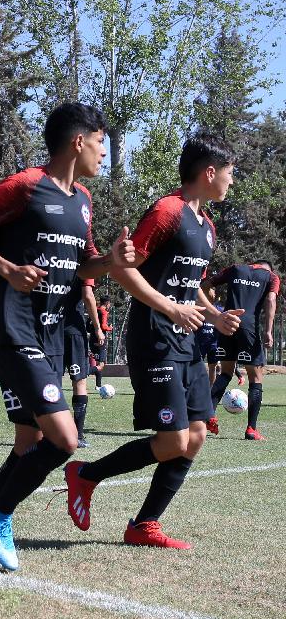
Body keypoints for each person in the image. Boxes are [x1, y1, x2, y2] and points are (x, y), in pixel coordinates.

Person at [0, 102, 133, 571]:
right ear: (78, 141)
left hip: (53, 333)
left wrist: (111, 261)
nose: (103, 152)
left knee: (29, 443)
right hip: (16, 328)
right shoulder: (25, 185)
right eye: (101, 143)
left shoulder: (83, 200)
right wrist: (8, 269)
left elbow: (84, 266)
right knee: (65, 440)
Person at [65, 133, 243, 550]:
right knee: (172, 441)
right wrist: (170, 308)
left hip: (185, 341)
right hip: (154, 339)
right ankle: (85, 474)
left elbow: (191, 283)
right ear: (210, 172)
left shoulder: (208, 227)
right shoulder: (167, 211)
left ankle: (144, 525)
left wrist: (214, 315)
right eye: (230, 173)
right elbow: (123, 269)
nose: (232, 181)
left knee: (196, 436)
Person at [202, 260, 279, 439]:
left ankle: (208, 417)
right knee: (255, 379)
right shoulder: (271, 277)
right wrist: (268, 331)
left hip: (227, 323)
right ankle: (251, 429)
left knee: (225, 373)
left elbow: (205, 285)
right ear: (268, 269)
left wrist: (211, 306)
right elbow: (271, 299)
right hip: (249, 328)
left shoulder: (235, 268)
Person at [64, 278, 101, 448]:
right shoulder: (84, 266)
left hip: (49, 327)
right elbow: (87, 295)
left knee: (49, 381)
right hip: (73, 329)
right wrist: (97, 328)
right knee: (79, 382)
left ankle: (48, 433)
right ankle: (77, 435)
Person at [91, 295, 113, 388]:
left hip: (92, 339)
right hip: (100, 340)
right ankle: (84, 372)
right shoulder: (103, 312)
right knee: (101, 365)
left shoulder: (94, 310)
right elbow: (103, 326)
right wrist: (110, 328)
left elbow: (88, 326)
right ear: (107, 303)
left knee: (98, 364)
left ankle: (98, 386)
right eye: (109, 303)